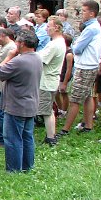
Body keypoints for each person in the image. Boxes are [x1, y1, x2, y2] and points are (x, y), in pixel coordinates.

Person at [0, 29, 43, 173]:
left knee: (12, 138)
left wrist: (9, 56)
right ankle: (28, 166)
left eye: (17, 42)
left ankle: (14, 169)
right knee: (27, 137)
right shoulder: (37, 58)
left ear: (21, 43)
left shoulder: (19, 61)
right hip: (31, 104)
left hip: (16, 105)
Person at [59, 0, 101, 136]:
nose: (81, 14)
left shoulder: (90, 29)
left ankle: (65, 129)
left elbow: (77, 49)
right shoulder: (93, 26)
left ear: (92, 13)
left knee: (75, 99)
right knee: (88, 96)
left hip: (85, 67)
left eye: (84, 11)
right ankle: (88, 126)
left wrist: (75, 45)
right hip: (90, 65)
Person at [39, 17, 67, 147]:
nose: (46, 29)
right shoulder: (59, 42)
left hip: (46, 81)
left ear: (56, 27)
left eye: (48, 26)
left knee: (46, 111)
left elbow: (42, 59)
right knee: (48, 110)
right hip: (51, 80)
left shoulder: (55, 44)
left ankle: (51, 137)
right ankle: (50, 136)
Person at [0, 27, 17, 147]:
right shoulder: (2, 46)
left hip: (3, 85)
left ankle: (1, 138)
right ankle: (0, 135)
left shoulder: (10, 47)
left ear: (3, 35)